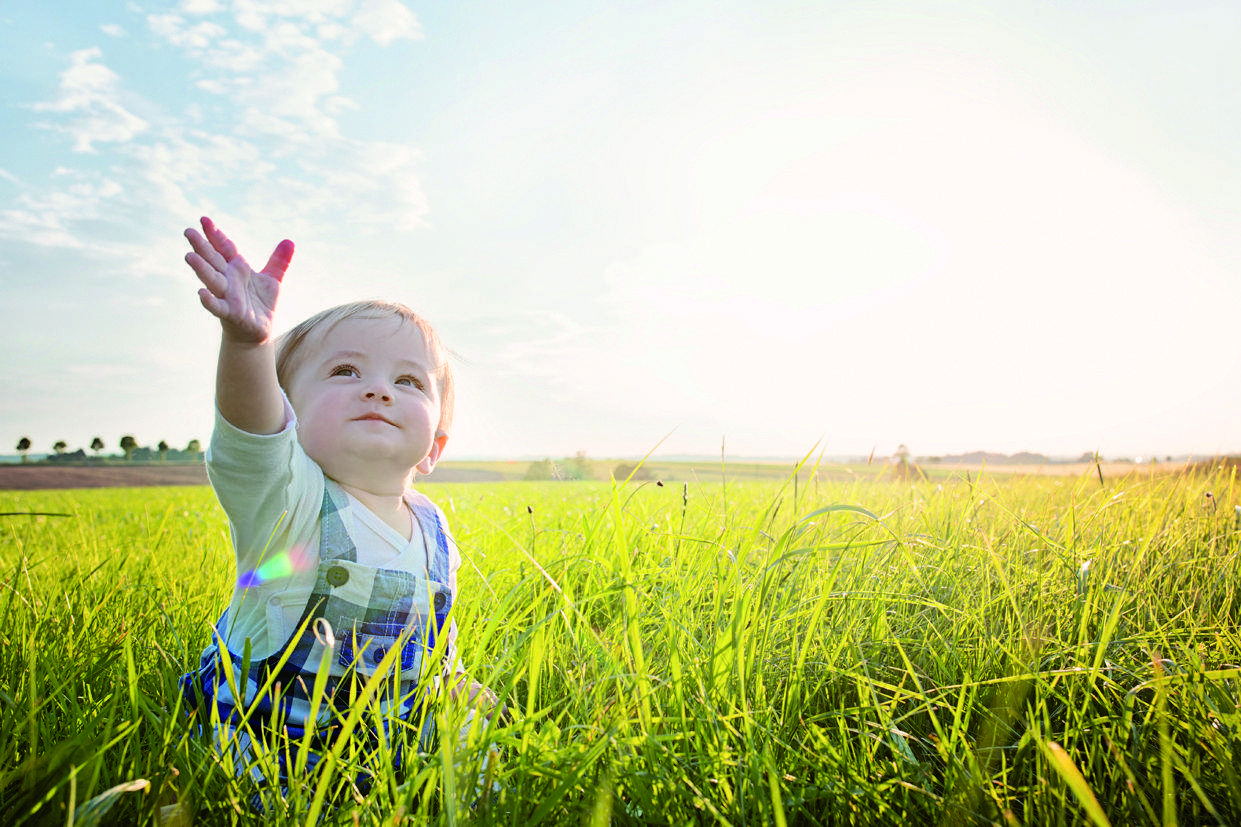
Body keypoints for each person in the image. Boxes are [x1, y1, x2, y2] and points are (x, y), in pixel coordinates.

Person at [176, 216, 495, 814]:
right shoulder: (290, 501)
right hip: (273, 748)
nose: (380, 391)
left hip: (381, 739)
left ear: (435, 447)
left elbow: (426, 646)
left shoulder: (432, 530)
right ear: (289, 416)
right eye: (346, 372)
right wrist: (248, 346)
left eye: (408, 381)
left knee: (485, 747)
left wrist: (450, 684)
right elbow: (252, 435)